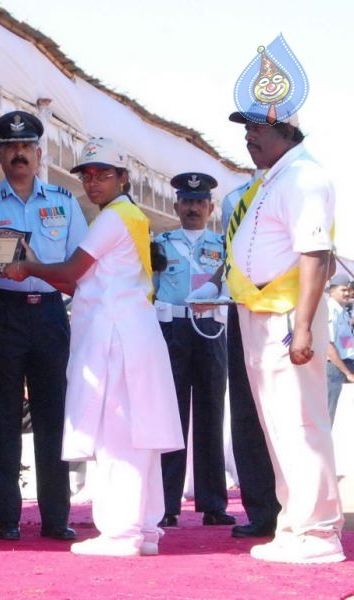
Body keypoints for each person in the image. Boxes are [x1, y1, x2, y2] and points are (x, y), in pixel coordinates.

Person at [4, 138, 183, 556]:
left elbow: (70, 275)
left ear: (123, 178)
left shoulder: (113, 218)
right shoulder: (128, 215)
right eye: (86, 174)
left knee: (116, 432)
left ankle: (121, 533)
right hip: (132, 331)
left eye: (103, 174)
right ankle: (143, 530)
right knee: (138, 436)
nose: (92, 182)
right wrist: (33, 262)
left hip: (115, 335)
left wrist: (27, 265)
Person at [208, 107, 345, 563]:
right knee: (278, 427)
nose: (248, 137)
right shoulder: (274, 178)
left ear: (286, 130)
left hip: (286, 314)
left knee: (301, 424)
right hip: (258, 312)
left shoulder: (304, 176)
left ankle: (318, 532)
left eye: (256, 128)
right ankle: (295, 523)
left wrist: (304, 326)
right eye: (246, 129)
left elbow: (315, 253)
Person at [0, 110, 88, 541]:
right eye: (11, 147)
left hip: (51, 314)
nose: (19, 154)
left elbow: (77, 269)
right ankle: (7, 518)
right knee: (1, 415)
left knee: (54, 415)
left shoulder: (65, 202)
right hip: (2, 314)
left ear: (38, 152)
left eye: (26, 146)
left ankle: (56, 517)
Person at [153, 173, 235, 528]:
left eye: (200, 202)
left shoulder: (222, 244)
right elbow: (150, 288)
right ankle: (167, 503)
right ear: (176, 206)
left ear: (210, 207)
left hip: (211, 328)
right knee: (171, 416)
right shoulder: (160, 243)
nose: (193, 208)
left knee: (211, 413)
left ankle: (213, 503)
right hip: (172, 327)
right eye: (187, 201)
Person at [220, 175, 280, 539]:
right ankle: (260, 509)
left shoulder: (297, 183)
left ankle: (296, 507)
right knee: (245, 410)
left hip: (283, 305)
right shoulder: (234, 198)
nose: (252, 140)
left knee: (285, 411)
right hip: (242, 305)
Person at [325, 273, 354, 423]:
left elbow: (345, 342)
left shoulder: (342, 310)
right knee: (329, 410)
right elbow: (329, 346)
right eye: (343, 290)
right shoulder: (330, 310)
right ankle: (322, 444)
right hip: (335, 367)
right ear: (332, 291)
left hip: (347, 361)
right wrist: (347, 372)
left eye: (348, 290)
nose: (348, 293)